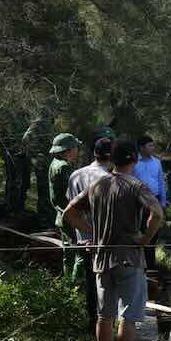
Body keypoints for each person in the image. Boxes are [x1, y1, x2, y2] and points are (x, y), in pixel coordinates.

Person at [62, 139, 164, 341]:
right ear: (134, 160)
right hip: (129, 258)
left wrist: (93, 232)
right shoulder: (136, 185)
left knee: (104, 316)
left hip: (101, 259)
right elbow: (158, 213)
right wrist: (144, 239)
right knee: (128, 318)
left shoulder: (97, 185)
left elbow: (68, 213)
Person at [68, 136, 114, 324]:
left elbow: (70, 208)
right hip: (104, 240)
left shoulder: (76, 175)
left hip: (83, 237)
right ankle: (106, 325)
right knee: (106, 286)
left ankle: (91, 322)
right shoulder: (108, 179)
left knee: (90, 282)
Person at [48, 133, 81, 279]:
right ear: (67, 150)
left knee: (68, 254)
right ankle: (76, 285)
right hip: (70, 215)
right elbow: (72, 194)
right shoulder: (63, 167)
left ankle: (68, 287)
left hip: (61, 215)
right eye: (75, 148)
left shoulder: (54, 164)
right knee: (79, 254)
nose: (77, 151)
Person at [133, 136, 167, 271]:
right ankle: (140, 267)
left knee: (153, 234)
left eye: (153, 145)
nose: (152, 148)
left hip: (155, 199)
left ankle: (151, 267)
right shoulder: (134, 162)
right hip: (138, 202)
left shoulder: (157, 162)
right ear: (141, 147)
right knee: (139, 233)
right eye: (149, 145)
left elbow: (161, 182)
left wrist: (163, 203)